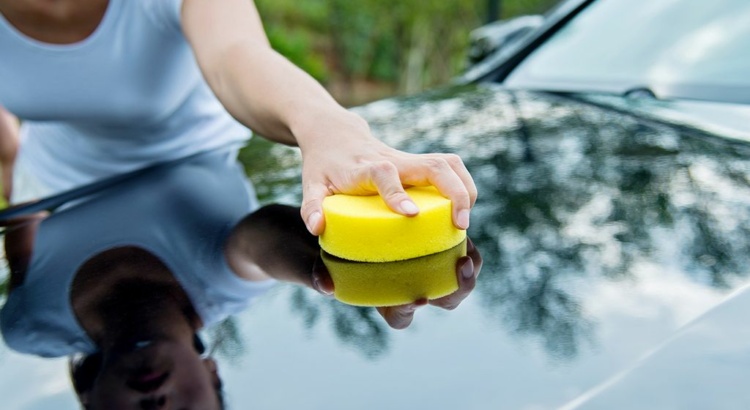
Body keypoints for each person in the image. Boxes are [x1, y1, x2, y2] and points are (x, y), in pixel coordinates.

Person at [1, 149, 482, 408]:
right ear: (212, 375)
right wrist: (354, 268)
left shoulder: (31, 326)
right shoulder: (223, 283)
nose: (156, 404)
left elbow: (15, 205)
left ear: (88, 401)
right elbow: (260, 239)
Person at [0, 0, 477, 237]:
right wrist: (17, 191)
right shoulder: (35, 330)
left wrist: (327, 128)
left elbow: (236, 55)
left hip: (203, 188)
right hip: (55, 200)